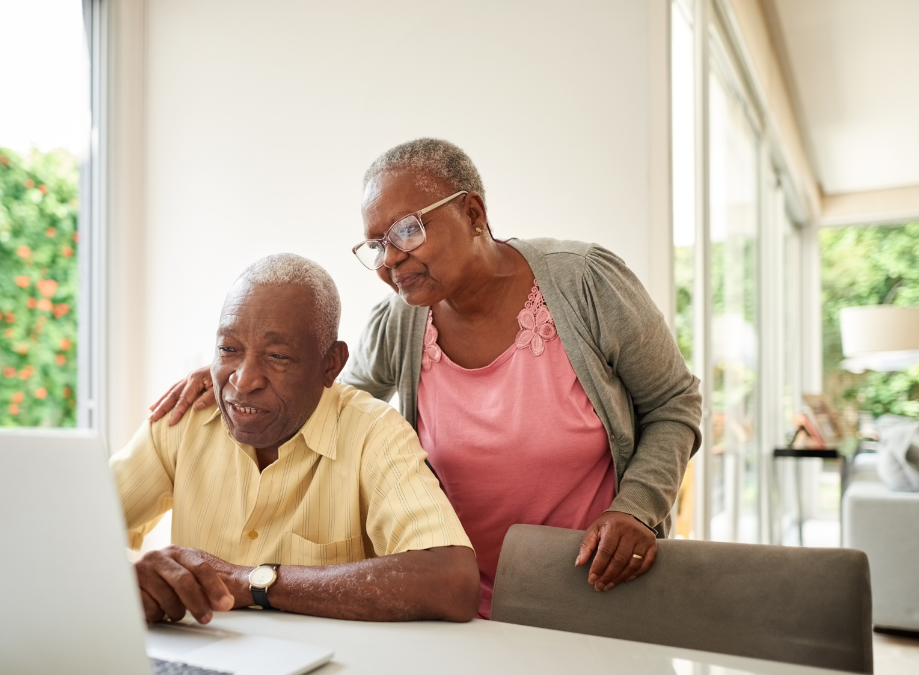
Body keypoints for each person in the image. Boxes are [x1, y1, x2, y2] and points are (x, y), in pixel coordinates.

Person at [150, 139, 702, 618]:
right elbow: (332, 399)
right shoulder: (402, 320)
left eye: (407, 231)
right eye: (375, 244)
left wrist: (636, 507)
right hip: (450, 597)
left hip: (591, 584)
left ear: (474, 212)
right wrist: (240, 364)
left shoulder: (584, 283)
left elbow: (675, 403)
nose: (390, 259)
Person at [113, 253, 478, 625]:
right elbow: (68, 534)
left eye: (277, 355)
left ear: (330, 364)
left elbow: (452, 582)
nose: (243, 380)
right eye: (228, 349)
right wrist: (138, 577)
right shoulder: (183, 419)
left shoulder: (374, 433)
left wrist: (249, 582)